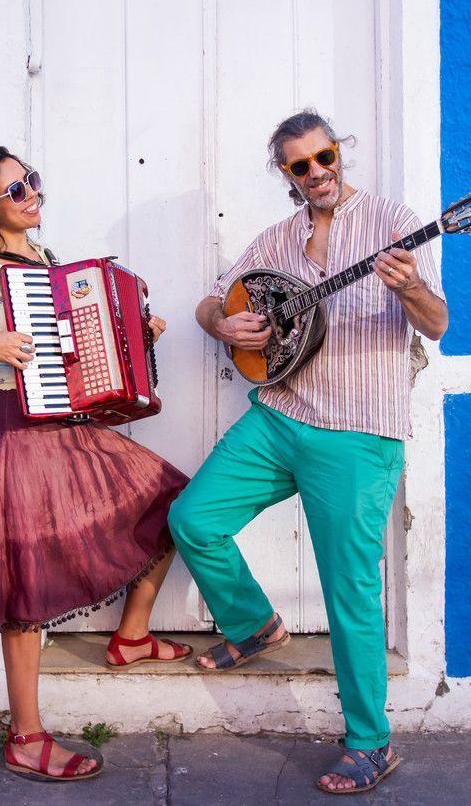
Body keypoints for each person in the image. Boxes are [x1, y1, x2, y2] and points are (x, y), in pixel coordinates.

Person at [168, 109, 448, 794]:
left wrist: (408, 285)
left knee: (348, 589)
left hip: (357, 430)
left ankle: (369, 743)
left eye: (326, 157)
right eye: (301, 165)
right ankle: (253, 624)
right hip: (280, 414)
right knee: (194, 518)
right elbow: (212, 303)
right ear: (285, 174)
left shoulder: (392, 221)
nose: (319, 173)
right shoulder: (277, 238)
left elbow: (437, 322)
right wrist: (224, 322)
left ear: (339, 154)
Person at [0, 146, 191, 782]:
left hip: (70, 425)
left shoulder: (44, 259)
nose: (32, 194)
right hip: (18, 434)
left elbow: (76, 348)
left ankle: (132, 637)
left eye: (33, 181)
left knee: (178, 505)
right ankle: (25, 735)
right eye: (16, 190)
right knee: (25, 581)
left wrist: (139, 334)